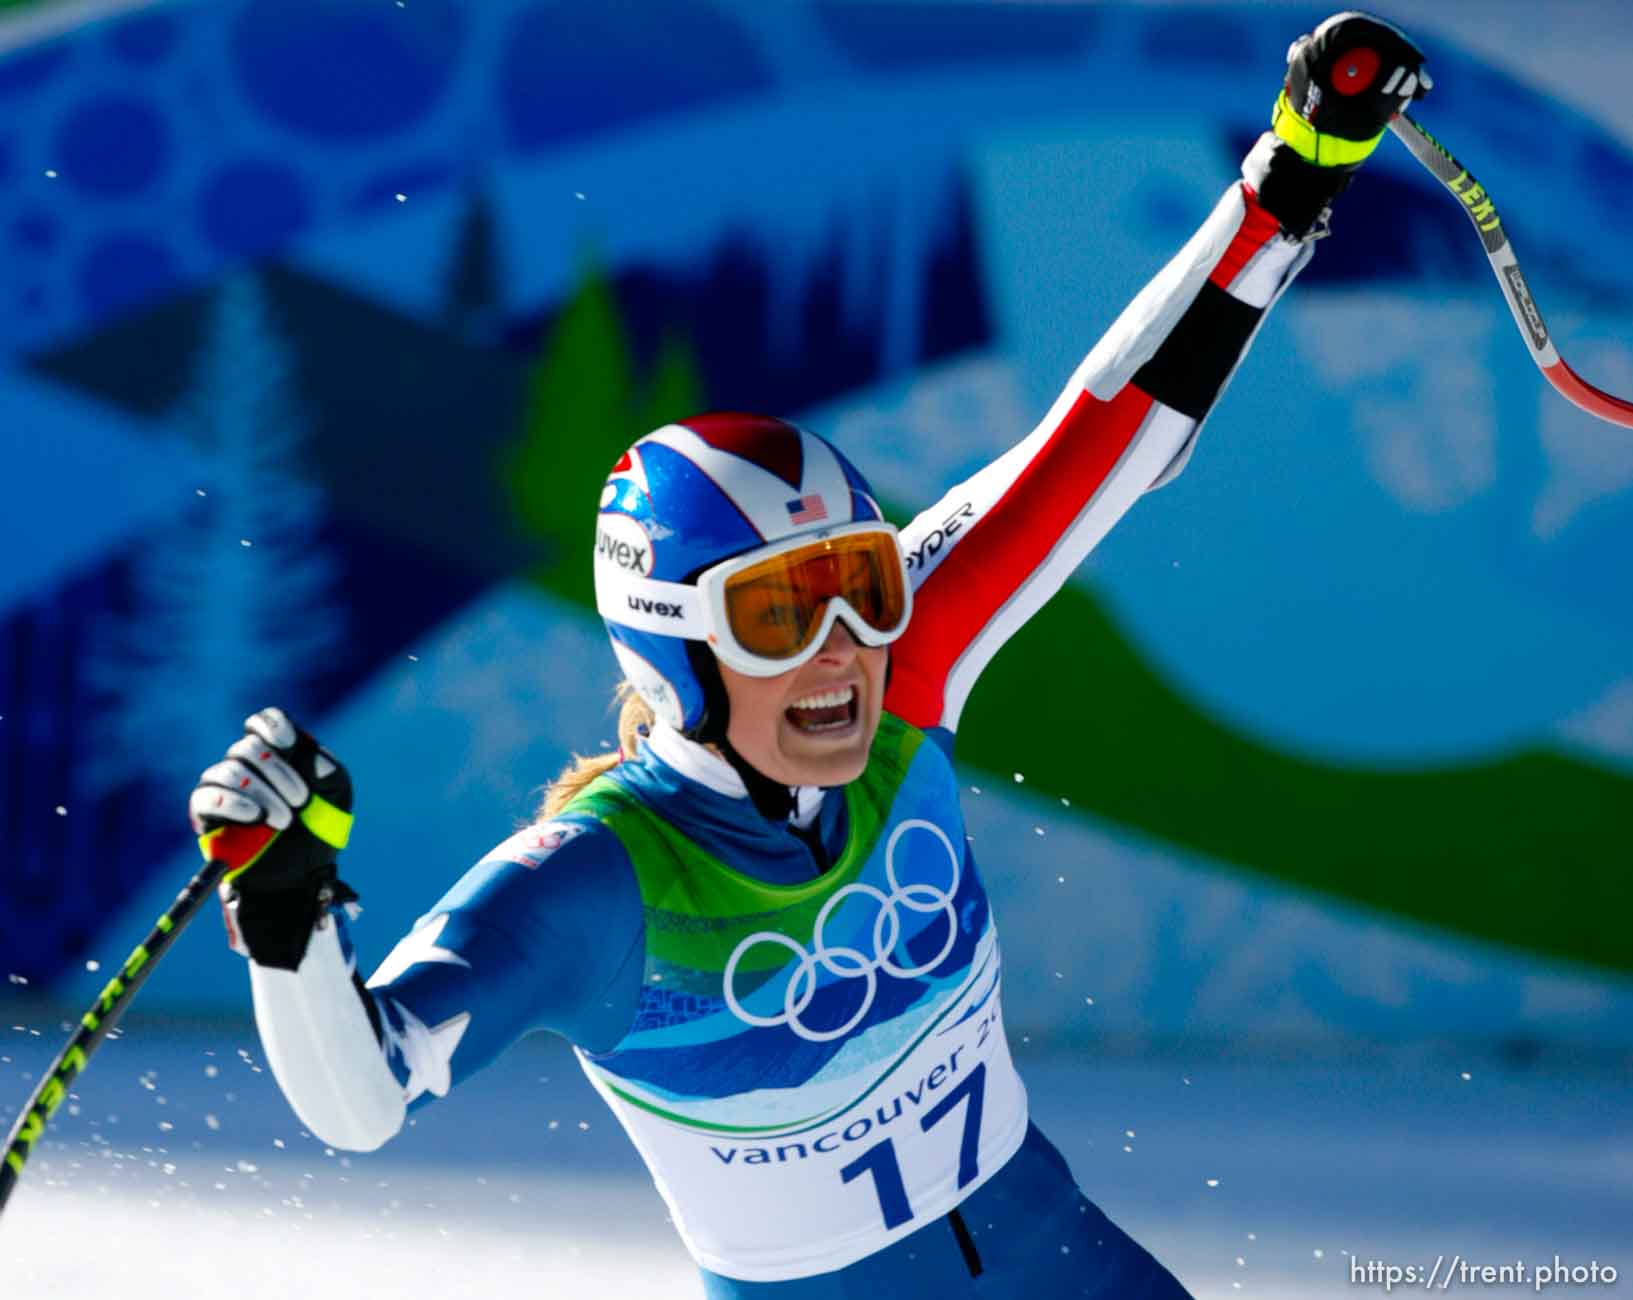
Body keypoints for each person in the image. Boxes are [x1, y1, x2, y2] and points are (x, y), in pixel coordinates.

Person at [188, 14, 1429, 1297]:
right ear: (674, 650)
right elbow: (363, 1101)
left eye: (863, 583)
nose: (842, 649)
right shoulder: (598, 880)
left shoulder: (908, 677)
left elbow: (1100, 438)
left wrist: (1286, 183)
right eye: (781, 613)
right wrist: (287, 922)